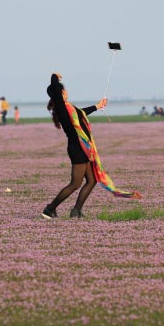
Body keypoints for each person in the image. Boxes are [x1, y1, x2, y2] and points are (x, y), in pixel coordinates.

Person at [41, 73, 106, 219]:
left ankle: (76, 210)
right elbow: (54, 87)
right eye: (62, 90)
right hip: (77, 149)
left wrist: (97, 106)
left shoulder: (70, 109)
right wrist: (54, 76)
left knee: (92, 180)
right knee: (75, 183)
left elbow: (82, 113)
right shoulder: (61, 108)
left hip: (83, 149)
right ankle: (50, 209)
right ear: (61, 92)